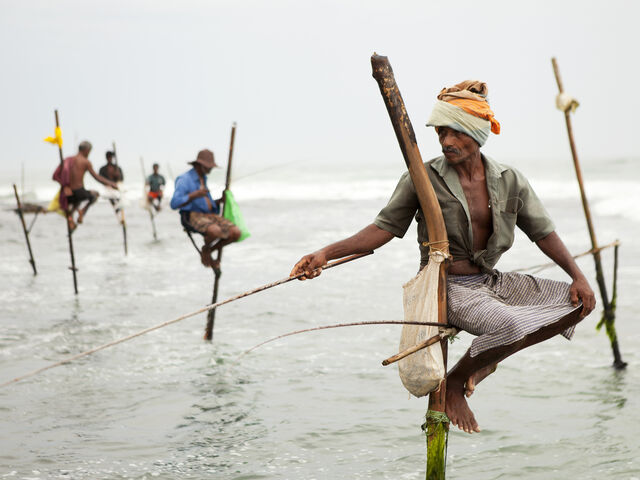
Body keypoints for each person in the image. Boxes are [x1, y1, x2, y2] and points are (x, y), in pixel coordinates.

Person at [290, 81, 596, 434]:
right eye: (441, 133)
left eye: (456, 133)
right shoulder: (423, 178)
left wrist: (578, 276)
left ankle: (483, 363)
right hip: (446, 287)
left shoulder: (509, 179)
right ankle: (455, 383)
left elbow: (542, 232)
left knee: (578, 304)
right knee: (508, 325)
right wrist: (324, 254)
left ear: (477, 134)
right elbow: (382, 230)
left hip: (488, 281)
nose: (447, 142)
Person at [170, 149, 241, 268]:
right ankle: (207, 250)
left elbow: (206, 203)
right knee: (215, 231)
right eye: (208, 167)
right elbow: (174, 203)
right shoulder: (184, 179)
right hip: (191, 215)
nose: (210, 169)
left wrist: (219, 201)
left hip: (209, 215)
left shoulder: (203, 178)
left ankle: (207, 250)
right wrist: (194, 195)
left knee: (236, 233)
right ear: (200, 165)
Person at [66, 141, 118, 230]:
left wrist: (65, 187)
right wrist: (111, 184)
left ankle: (70, 217)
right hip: (79, 191)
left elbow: (58, 174)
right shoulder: (86, 162)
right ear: (86, 150)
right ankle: (82, 211)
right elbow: (97, 177)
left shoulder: (69, 160)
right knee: (95, 195)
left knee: (76, 202)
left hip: (68, 192)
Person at [99, 151, 125, 223]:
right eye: (108, 157)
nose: (109, 159)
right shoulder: (103, 169)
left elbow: (121, 179)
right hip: (107, 188)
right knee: (112, 198)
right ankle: (117, 212)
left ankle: (119, 213)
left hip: (116, 188)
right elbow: (100, 179)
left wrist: (117, 175)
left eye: (110, 157)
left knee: (119, 198)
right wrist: (108, 184)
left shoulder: (117, 168)